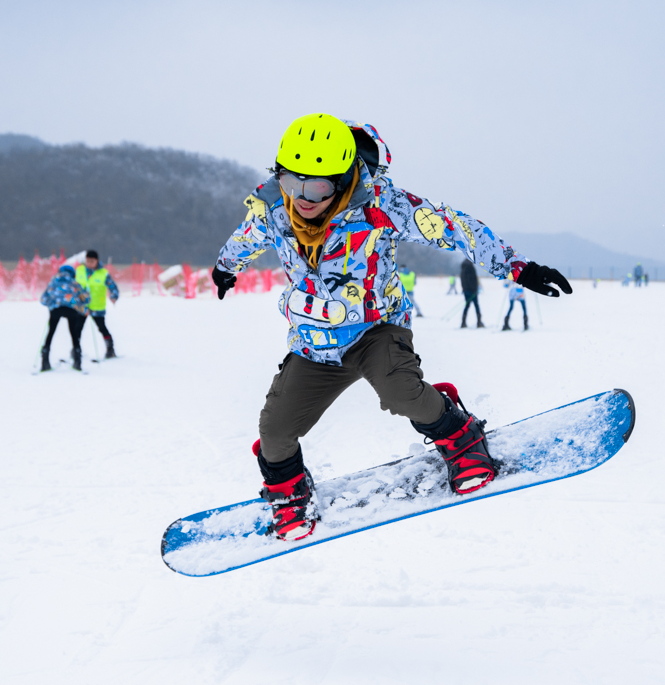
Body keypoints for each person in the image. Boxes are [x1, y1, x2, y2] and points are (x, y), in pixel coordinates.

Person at [212, 113, 572, 541]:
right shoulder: (274, 209)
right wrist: (226, 267)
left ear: (341, 180)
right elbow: (245, 238)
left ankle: (461, 436)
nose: (302, 198)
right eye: (292, 181)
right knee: (274, 432)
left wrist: (519, 268)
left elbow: (455, 228)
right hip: (314, 344)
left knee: (402, 394)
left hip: (376, 330)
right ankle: (289, 493)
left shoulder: (381, 206)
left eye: (318, 188)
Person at [40, 264, 90, 371]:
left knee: (50, 333)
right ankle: (77, 361)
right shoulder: (74, 283)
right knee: (74, 334)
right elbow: (86, 299)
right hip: (71, 310)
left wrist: (52, 304)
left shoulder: (53, 282)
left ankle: (45, 361)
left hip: (56, 310)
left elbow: (43, 299)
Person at [75, 250, 121, 358]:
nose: (90, 263)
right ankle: (76, 350)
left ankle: (110, 349)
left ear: (97, 261)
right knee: (77, 329)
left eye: (92, 261)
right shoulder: (79, 270)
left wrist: (114, 296)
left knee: (102, 328)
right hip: (82, 306)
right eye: (88, 261)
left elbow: (112, 286)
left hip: (97, 306)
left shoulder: (103, 273)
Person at [459, 259, 483, 328]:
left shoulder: (463, 268)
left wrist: (465, 289)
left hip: (466, 290)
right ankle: (479, 322)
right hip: (472, 291)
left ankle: (463, 322)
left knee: (467, 306)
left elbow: (463, 280)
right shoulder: (470, 268)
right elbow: (472, 279)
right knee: (476, 306)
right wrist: (474, 289)